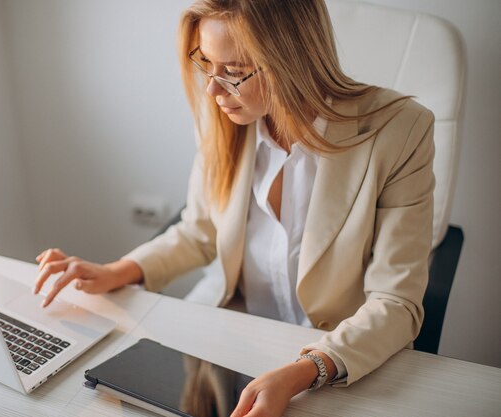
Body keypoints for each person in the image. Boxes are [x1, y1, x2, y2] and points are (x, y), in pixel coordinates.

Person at [34, 1, 435, 416]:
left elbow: (396, 303)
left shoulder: (399, 131)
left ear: (292, 58)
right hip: (235, 340)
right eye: (206, 62)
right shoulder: (225, 119)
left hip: (338, 359)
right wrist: (116, 271)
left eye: (233, 70)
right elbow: (200, 230)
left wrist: (305, 369)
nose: (212, 88)